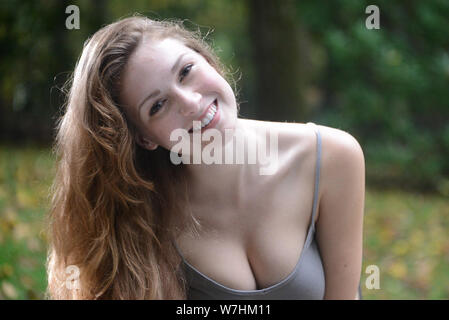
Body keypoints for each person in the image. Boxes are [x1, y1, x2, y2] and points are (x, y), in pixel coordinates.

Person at [46, 15, 365, 300]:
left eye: (186, 71)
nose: (191, 103)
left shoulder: (332, 157)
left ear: (208, 60)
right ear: (144, 138)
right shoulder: (141, 214)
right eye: (157, 106)